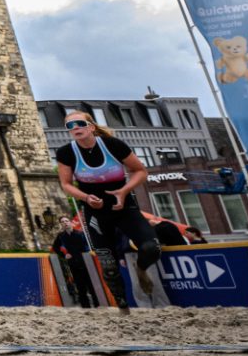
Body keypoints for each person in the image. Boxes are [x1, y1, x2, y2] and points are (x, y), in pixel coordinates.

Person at [56, 111, 165, 310]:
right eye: (70, 127)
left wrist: (124, 191)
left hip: (123, 205)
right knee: (108, 264)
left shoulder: (113, 145)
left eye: (79, 124)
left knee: (152, 248)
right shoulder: (66, 152)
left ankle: (141, 269)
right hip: (95, 211)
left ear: (90, 126)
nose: (75, 129)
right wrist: (86, 198)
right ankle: (123, 308)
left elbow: (140, 171)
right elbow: (65, 184)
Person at [50, 217, 99, 308]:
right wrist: (63, 255)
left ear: (70, 222)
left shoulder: (80, 233)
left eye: (66, 221)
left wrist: (87, 253)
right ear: (61, 224)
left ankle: (97, 305)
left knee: (91, 285)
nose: (65, 223)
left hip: (86, 262)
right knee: (80, 286)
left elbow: (89, 246)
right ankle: (85, 307)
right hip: (73, 264)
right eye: (62, 222)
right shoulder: (61, 236)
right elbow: (55, 248)